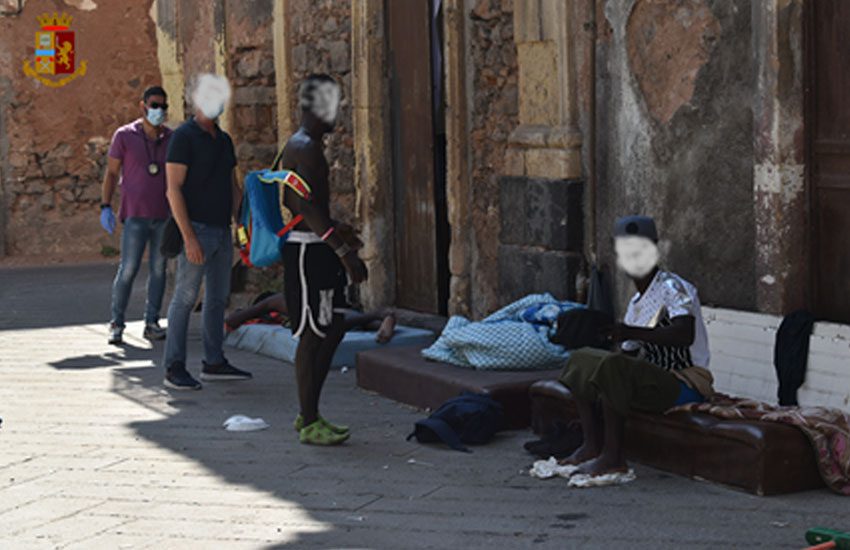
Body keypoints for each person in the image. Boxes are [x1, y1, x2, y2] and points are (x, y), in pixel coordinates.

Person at [558, 215, 712, 478]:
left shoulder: (673, 287)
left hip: (684, 382)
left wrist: (629, 332)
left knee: (613, 366)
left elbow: (684, 334)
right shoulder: (635, 305)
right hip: (652, 382)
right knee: (582, 359)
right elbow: (626, 356)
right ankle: (591, 445)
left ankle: (613, 458)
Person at [277, 74, 368, 445]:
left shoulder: (307, 146)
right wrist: (344, 253)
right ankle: (309, 418)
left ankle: (310, 412)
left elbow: (303, 205)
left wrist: (337, 231)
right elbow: (306, 208)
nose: (337, 112)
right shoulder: (304, 147)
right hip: (307, 251)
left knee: (333, 327)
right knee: (313, 334)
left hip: (317, 246)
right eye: (331, 104)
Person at [161, 73, 251, 390]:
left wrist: (241, 224)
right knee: (185, 298)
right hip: (196, 228)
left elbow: (232, 185)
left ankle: (214, 361)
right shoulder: (183, 138)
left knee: (217, 298)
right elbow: (173, 189)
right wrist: (189, 238)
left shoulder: (223, 140)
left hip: (222, 231)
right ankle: (174, 367)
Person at [101, 86, 173, 345]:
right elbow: (112, 173)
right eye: (154, 106)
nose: (159, 111)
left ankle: (152, 322)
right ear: (142, 106)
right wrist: (105, 205)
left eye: (163, 107)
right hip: (134, 215)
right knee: (128, 268)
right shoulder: (125, 135)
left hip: (164, 215)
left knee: (159, 270)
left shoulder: (171, 138)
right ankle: (116, 323)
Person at [224, 292, 397, 343]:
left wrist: (239, 316)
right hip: (318, 307)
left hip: (310, 309)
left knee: (331, 321)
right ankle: (382, 320)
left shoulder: (273, 302)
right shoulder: (276, 306)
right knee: (342, 319)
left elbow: (233, 321)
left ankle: (382, 315)